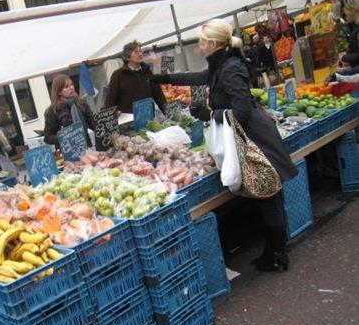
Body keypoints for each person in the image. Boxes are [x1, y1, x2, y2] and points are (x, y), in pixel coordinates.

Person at [152, 19, 298, 272]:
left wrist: (210, 113)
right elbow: (199, 77)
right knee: (265, 198)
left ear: (212, 43)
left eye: (201, 42)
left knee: (268, 198)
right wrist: (160, 78)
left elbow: (242, 111)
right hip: (248, 138)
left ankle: (278, 255)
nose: (199, 46)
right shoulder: (222, 64)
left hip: (255, 141)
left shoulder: (230, 68)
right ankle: (273, 250)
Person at [104, 40, 166, 115]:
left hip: (148, 117)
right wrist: (113, 114)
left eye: (140, 51)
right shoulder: (118, 75)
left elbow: (158, 94)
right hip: (128, 120)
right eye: (136, 52)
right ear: (127, 57)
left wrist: (168, 112)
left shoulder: (148, 72)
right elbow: (110, 100)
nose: (140, 54)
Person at [43, 74, 95, 147]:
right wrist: (66, 137)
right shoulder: (52, 111)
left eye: (71, 84)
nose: (71, 88)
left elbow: (93, 124)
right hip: (68, 151)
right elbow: (47, 137)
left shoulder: (81, 104)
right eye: (66, 86)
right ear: (59, 92)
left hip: (87, 147)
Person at [340, 0, 359, 68]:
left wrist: (344, 57)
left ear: (352, 12)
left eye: (347, 15)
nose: (346, 18)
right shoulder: (356, 27)